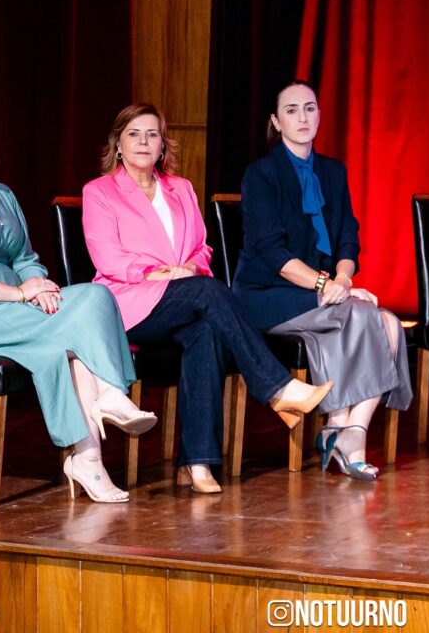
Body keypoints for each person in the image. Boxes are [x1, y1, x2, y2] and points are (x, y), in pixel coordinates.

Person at [82, 103, 333, 493]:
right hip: (128, 303)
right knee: (209, 292)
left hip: (185, 296)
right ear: (118, 144)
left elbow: (202, 248)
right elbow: (108, 259)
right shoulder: (99, 192)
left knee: (206, 332)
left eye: (152, 134)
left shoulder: (179, 189)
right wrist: (161, 273)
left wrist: (191, 269)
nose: (144, 142)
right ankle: (277, 388)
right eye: (134, 134)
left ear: (164, 144)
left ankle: (197, 463)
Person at [0, 107, 156, 504]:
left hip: (15, 310)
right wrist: (20, 293)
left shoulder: (3, 194)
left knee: (69, 344)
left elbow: (24, 256)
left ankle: (88, 459)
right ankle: (113, 390)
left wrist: (38, 284)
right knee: (92, 299)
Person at [232, 81, 412, 481]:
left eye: (309, 109)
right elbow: (273, 253)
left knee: (387, 322)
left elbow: (348, 235)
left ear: (319, 115)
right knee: (364, 316)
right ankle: (344, 434)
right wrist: (325, 286)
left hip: (322, 291)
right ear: (276, 122)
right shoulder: (260, 174)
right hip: (267, 294)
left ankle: (348, 427)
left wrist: (343, 279)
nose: (302, 118)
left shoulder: (333, 171)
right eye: (292, 110)